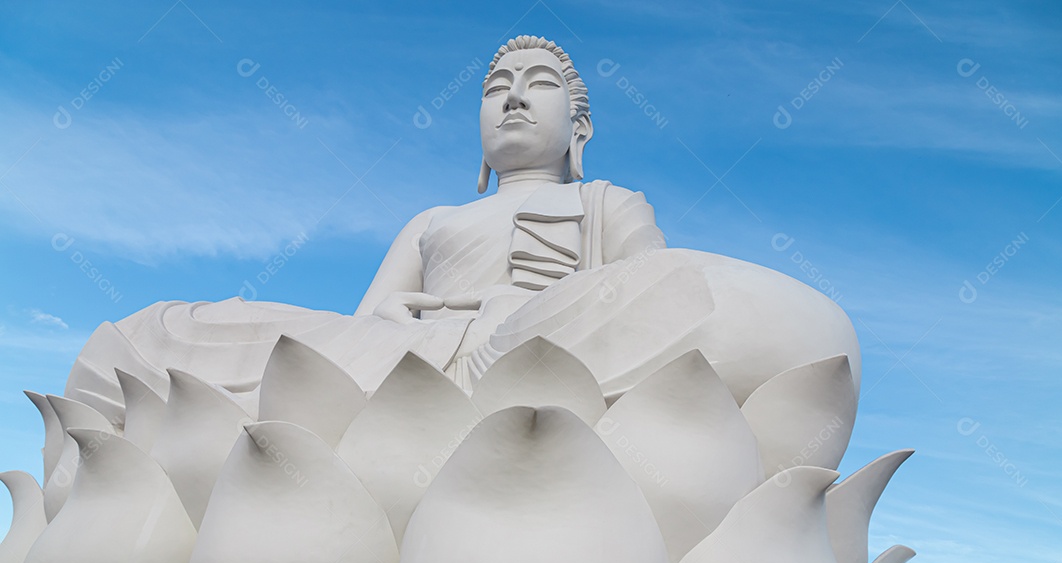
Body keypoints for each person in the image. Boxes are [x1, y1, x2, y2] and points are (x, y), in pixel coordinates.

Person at [65, 35, 859, 426]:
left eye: (537, 86)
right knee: (153, 332)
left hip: (540, 351)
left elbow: (649, 301)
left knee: (692, 292)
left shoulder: (611, 202)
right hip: (399, 361)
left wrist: (513, 314)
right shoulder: (436, 220)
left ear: (578, 124)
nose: (512, 99)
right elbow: (368, 320)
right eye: (495, 89)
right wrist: (432, 321)